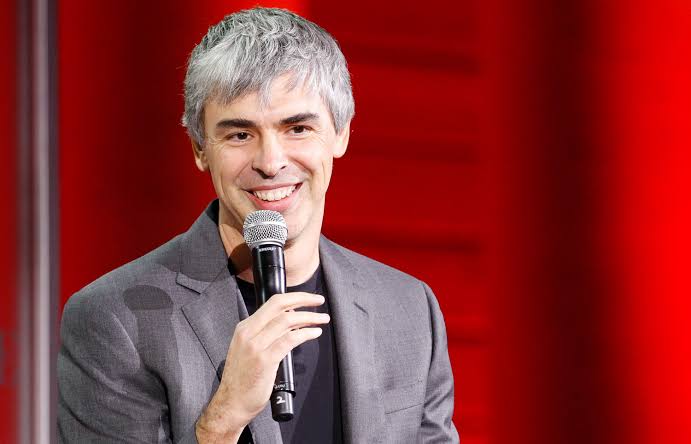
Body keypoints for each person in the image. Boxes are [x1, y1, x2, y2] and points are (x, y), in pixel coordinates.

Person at [58, 7, 459, 443]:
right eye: (240, 135)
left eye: (297, 128)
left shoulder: (408, 309)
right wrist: (222, 420)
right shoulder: (114, 318)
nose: (270, 162)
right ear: (199, 148)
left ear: (341, 133)